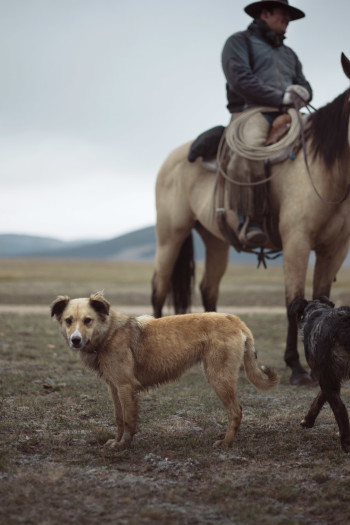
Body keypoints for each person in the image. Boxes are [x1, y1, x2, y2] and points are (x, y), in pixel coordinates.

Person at [221, 0, 312, 247]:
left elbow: (304, 84)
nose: (288, 20)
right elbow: (240, 79)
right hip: (252, 112)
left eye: (289, 16)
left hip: (288, 114)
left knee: (326, 140)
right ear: (265, 13)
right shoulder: (238, 43)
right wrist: (279, 97)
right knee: (249, 150)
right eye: (284, 14)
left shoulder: (289, 54)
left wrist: (302, 93)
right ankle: (251, 221)